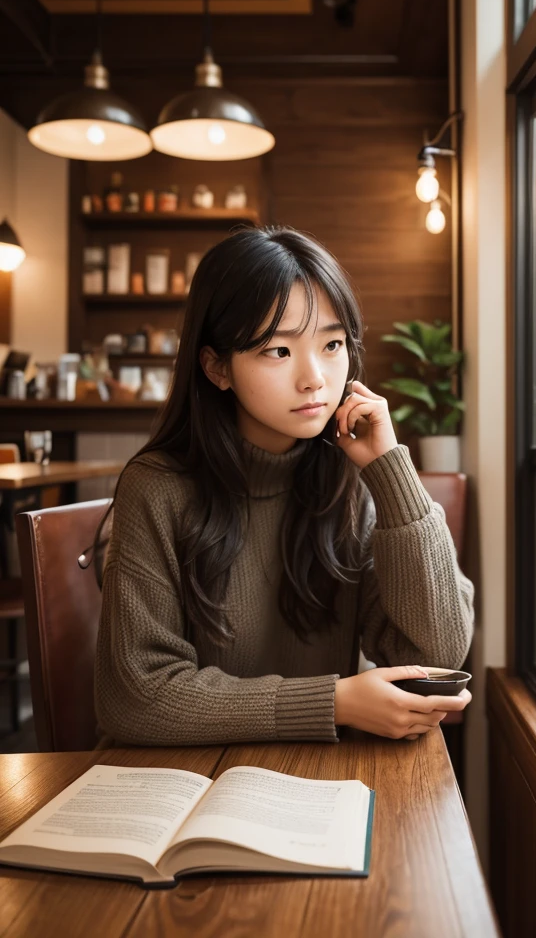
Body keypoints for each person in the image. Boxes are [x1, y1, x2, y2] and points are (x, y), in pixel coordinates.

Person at [92, 225, 474, 747]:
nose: (315, 377)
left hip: (316, 786)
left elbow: (439, 655)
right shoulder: (158, 488)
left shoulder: (353, 478)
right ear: (217, 367)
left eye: (332, 344)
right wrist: (333, 703)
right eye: (278, 350)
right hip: (181, 784)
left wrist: (391, 471)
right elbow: (135, 697)